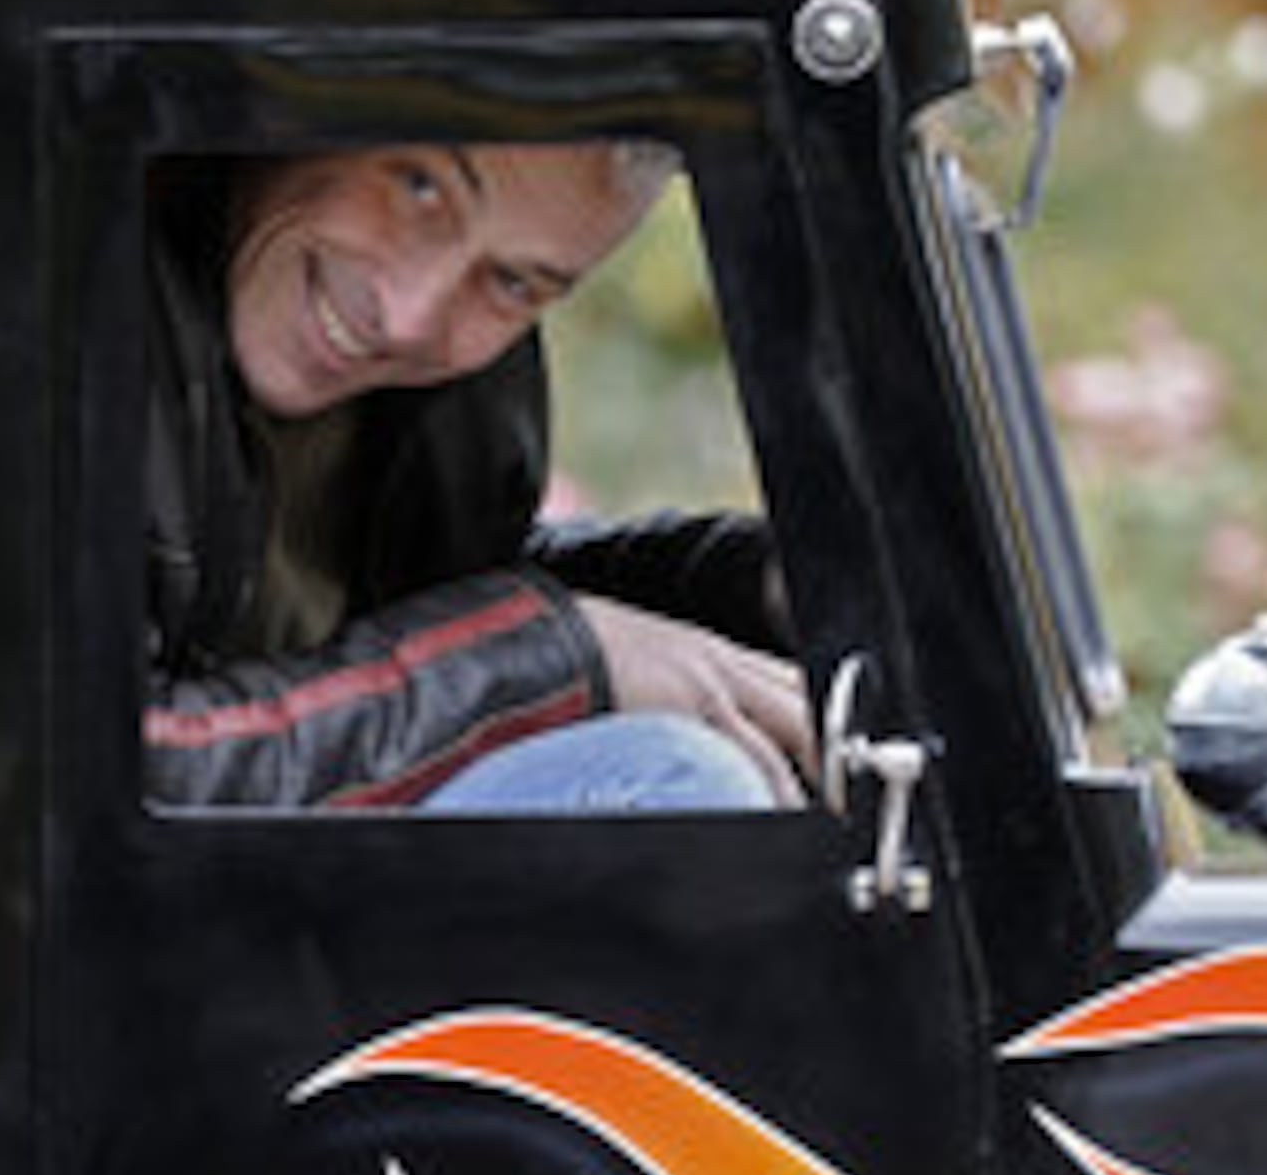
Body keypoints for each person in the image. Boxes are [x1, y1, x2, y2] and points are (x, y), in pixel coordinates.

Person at [139, 138, 823, 811]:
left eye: (513, 281)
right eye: (420, 186)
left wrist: (747, 586)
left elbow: (451, 613)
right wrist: (549, 660)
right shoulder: (72, 298)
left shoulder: (449, 389)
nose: (408, 316)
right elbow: (96, 773)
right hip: (145, 915)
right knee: (673, 777)